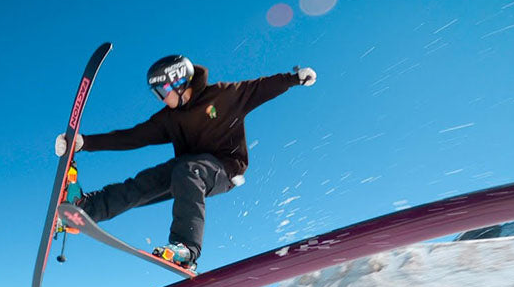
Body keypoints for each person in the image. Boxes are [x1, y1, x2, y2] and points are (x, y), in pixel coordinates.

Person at [54, 55, 317, 270]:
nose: (161, 98)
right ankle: (86, 208)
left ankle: (186, 249)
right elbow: (133, 137)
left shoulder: (224, 96)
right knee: (145, 181)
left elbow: (261, 87)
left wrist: (294, 79)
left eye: (162, 91)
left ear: (179, 83)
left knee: (187, 169)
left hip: (224, 170)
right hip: (187, 173)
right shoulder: (169, 118)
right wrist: (85, 143)